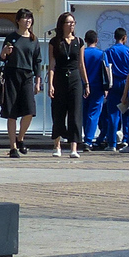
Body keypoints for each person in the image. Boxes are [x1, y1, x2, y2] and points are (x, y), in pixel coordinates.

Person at [0, 8, 44, 158]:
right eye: (24, 18)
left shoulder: (33, 39)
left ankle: (21, 138)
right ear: (18, 20)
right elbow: (3, 58)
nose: (28, 21)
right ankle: (13, 147)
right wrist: (4, 52)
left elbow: (37, 61)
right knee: (11, 113)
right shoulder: (11, 37)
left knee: (30, 111)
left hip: (27, 76)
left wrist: (38, 81)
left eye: (30, 18)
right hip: (12, 75)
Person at [48, 12, 86, 158]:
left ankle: (74, 147)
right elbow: (52, 64)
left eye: (73, 22)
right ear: (62, 25)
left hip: (75, 77)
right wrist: (50, 84)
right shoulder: (55, 42)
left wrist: (86, 83)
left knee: (75, 113)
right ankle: (57, 145)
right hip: (60, 77)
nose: (71, 25)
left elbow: (81, 64)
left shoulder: (79, 41)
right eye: (68, 22)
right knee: (58, 112)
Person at [99, 28, 129, 150]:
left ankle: (112, 143)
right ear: (124, 38)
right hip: (126, 82)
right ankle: (126, 139)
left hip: (113, 82)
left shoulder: (108, 51)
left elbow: (106, 68)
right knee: (127, 112)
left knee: (113, 114)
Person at [81, 30, 111, 152]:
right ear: (96, 40)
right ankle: (88, 140)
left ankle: (85, 137)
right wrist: (107, 88)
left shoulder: (82, 53)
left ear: (85, 40)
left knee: (84, 112)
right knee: (94, 114)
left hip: (83, 86)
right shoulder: (101, 54)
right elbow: (106, 71)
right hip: (98, 87)